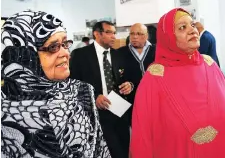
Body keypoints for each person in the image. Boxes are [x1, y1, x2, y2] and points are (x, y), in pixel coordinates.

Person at [130, 8, 225, 158]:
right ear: (168, 37)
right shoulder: (154, 79)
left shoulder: (211, 66)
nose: (192, 30)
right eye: (182, 27)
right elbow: (142, 138)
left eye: (192, 25)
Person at [1, 10, 110, 157]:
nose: (66, 53)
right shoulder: (5, 108)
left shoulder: (81, 92)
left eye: (65, 44)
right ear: (24, 55)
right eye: (53, 47)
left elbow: (100, 149)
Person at [70, 21, 134, 158]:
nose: (114, 36)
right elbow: (73, 83)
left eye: (114, 33)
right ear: (97, 34)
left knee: (123, 149)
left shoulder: (118, 55)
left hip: (120, 111)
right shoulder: (80, 55)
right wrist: (93, 96)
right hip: (96, 113)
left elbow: (129, 79)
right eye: (109, 32)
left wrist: (130, 85)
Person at [118, 23, 156, 124]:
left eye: (139, 34)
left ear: (146, 35)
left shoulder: (156, 51)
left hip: (156, 100)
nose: (135, 37)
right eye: (132, 34)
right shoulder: (120, 53)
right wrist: (128, 84)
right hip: (133, 102)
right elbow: (118, 76)